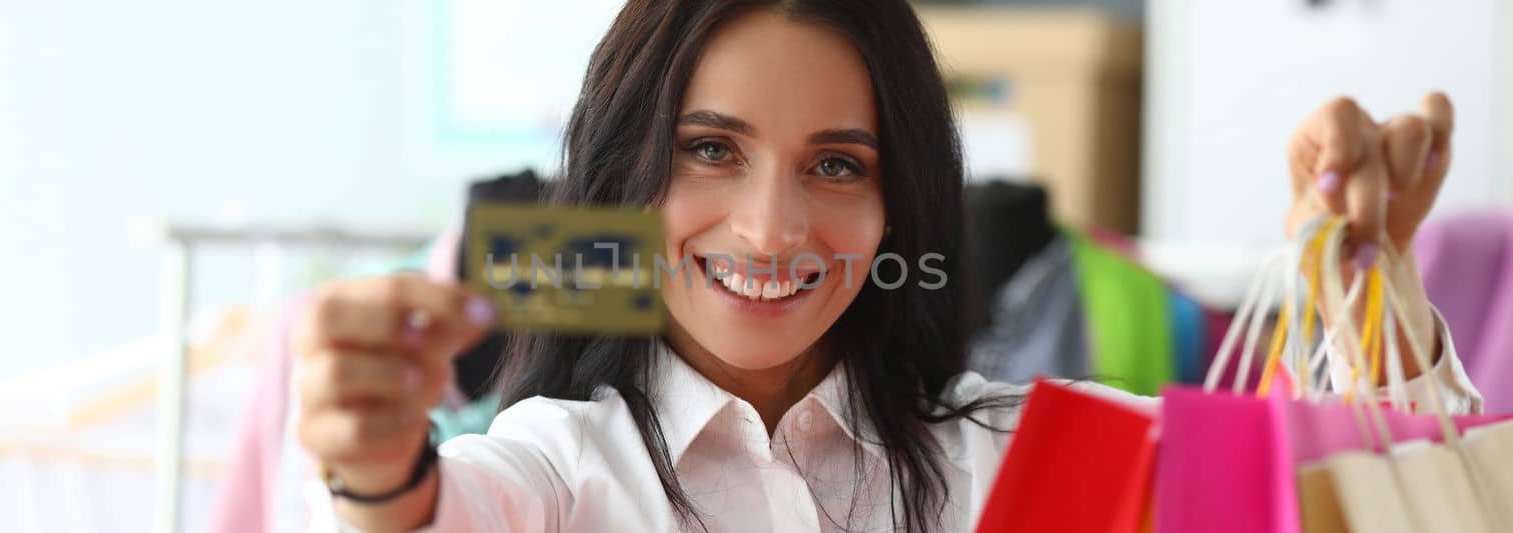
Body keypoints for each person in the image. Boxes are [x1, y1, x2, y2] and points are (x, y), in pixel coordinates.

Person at [291, 1, 1480, 531]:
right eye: (709, 150)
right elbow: (429, 518)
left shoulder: (1021, 457)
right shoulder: (558, 474)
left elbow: (1369, 503)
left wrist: (1363, 275)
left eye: (838, 165)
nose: (768, 229)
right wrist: (376, 467)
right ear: (624, 177)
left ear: (900, 204)